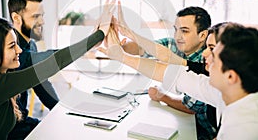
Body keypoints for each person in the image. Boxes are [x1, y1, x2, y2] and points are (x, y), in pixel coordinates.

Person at [0, 0, 115, 140]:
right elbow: (55, 61)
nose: (19, 50)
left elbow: (43, 79)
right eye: (12, 46)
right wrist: (99, 35)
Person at [101, 22, 258, 139]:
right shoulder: (226, 92)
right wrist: (121, 56)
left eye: (214, 55)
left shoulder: (244, 130)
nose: (204, 55)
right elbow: (170, 73)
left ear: (231, 76)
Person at [116, 2, 215, 139]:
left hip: (205, 133)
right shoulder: (175, 45)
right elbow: (143, 48)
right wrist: (120, 46)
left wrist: (162, 96)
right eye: (176, 30)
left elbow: (191, 108)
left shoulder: (207, 62)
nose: (178, 36)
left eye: (184, 31)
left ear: (203, 35)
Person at [7, 0, 59, 139]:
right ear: (16, 17)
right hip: (8, 129)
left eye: (42, 16)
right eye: (36, 16)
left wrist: (59, 109)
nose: (42, 21)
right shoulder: (6, 50)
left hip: (22, 121)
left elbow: (41, 84)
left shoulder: (32, 45)